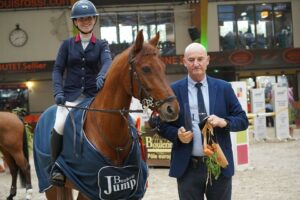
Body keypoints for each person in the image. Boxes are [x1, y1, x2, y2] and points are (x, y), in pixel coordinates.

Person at [153, 43, 248, 200]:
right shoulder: (173, 90)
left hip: (218, 163)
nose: (196, 63)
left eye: (200, 59)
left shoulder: (223, 88)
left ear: (207, 60)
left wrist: (224, 121)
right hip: (188, 167)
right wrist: (177, 134)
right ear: (184, 62)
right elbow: (158, 122)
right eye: (191, 59)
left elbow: (242, 120)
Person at [50, 0, 112, 186]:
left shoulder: (101, 44)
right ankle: (57, 167)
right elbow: (57, 70)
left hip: (94, 96)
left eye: (89, 18)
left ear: (94, 20)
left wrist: (102, 75)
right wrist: (58, 92)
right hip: (70, 96)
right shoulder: (67, 45)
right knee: (59, 125)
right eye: (81, 19)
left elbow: (108, 62)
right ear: (76, 22)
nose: (85, 21)